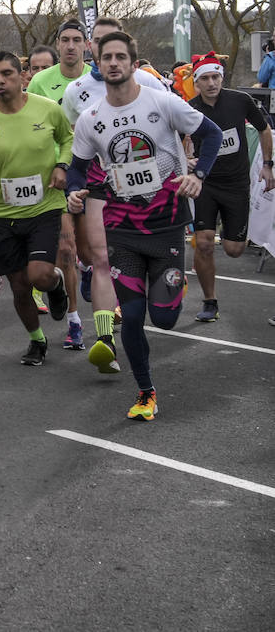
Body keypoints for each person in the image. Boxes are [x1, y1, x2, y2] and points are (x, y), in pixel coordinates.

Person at [66, 31, 222, 422]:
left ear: (134, 64)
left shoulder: (163, 102)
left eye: (121, 57)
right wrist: (73, 191)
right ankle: (145, 391)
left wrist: (198, 173)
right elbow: (77, 170)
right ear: (97, 65)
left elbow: (212, 134)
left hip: (166, 223)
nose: (114, 63)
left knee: (165, 317)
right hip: (121, 227)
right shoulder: (91, 119)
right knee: (132, 316)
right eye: (107, 58)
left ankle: (174, 284)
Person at [0, 52, 74, 365]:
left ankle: (56, 285)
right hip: (3, 212)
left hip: (44, 206)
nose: (1, 81)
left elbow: (68, 140)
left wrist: (61, 165)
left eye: (7, 74)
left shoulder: (47, 109)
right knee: (19, 286)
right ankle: (37, 340)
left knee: (39, 275)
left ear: (22, 76)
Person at [186, 52, 275, 321]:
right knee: (203, 243)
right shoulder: (189, 108)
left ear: (221, 78)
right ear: (197, 82)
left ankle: (229, 233)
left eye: (216, 77)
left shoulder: (241, 100)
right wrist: (187, 159)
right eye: (205, 78)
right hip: (206, 183)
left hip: (236, 184)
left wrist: (267, 164)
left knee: (234, 249)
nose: (212, 83)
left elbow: (264, 129)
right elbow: (176, 136)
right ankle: (209, 301)